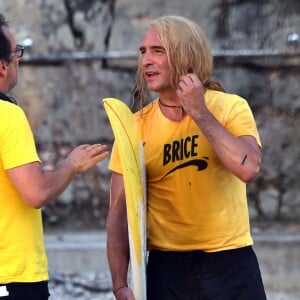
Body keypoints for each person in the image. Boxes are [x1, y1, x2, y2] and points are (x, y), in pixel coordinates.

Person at [106, 15, 267, 300]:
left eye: (158, 50)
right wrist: (120, 284)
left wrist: (199, 112)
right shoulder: (135, 127)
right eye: (143, 52)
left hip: (229, 262)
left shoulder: (229, 107)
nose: (146, 61)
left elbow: (248, 168)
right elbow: (118, 215)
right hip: (167, 269)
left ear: (187, 56)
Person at [0, 14, 109, 299]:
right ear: (2, 66)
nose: (19, 60)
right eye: (16, 53)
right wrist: (70, 166)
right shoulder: (7, 115)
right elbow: (35, 192)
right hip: (11, 276)